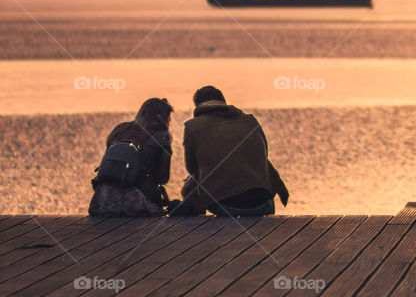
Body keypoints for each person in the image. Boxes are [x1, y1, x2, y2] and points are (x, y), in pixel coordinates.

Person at [173, 85, 288, 216]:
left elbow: (192, 168)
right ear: (223, 102)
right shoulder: (250, 121)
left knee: (190, 185)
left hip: (226, 206)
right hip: (263, 205)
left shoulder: (193, 126)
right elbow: (263, 157)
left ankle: (201, 229)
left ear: (198, 106)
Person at [89, 98, 175, 217]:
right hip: (141, 203)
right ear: (161, 117)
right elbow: (163, 177)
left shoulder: (120, 130)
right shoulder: (161, 135)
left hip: (105, 200)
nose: (169, 121)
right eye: (168, 118)